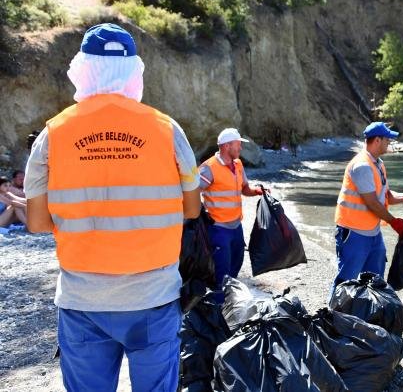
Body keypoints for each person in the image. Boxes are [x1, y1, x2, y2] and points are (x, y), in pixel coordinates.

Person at [23, 23, 202, 391]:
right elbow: (192, 209)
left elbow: (39, 223)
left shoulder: (53, 133)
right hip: (153, 295)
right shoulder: (166, 129)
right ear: (135, 71)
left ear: (83, 68)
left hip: (82, 299)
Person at [331, 122, 403, 294]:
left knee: (374, 280)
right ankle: (332, 316)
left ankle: (369, 314)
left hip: (372, 233)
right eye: (388, 140)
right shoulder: (362, 166)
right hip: (353, 233)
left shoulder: (378, 164)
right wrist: (393, 222)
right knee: (346, 280)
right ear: (377, 140)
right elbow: (371, 202)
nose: (389, 143)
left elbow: (385, 196)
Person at [199, 128, 263, 301]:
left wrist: (257, 191)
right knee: (221, 272)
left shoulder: (238, 165)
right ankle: (217, 311)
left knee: (236, 264)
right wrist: (200, 213)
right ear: (227, 146)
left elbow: (244, 189)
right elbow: (191, 191)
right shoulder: (209, 168)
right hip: (218, 230)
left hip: (236, 227)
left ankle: (227, 301)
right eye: (238, 144)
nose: (241, 148)